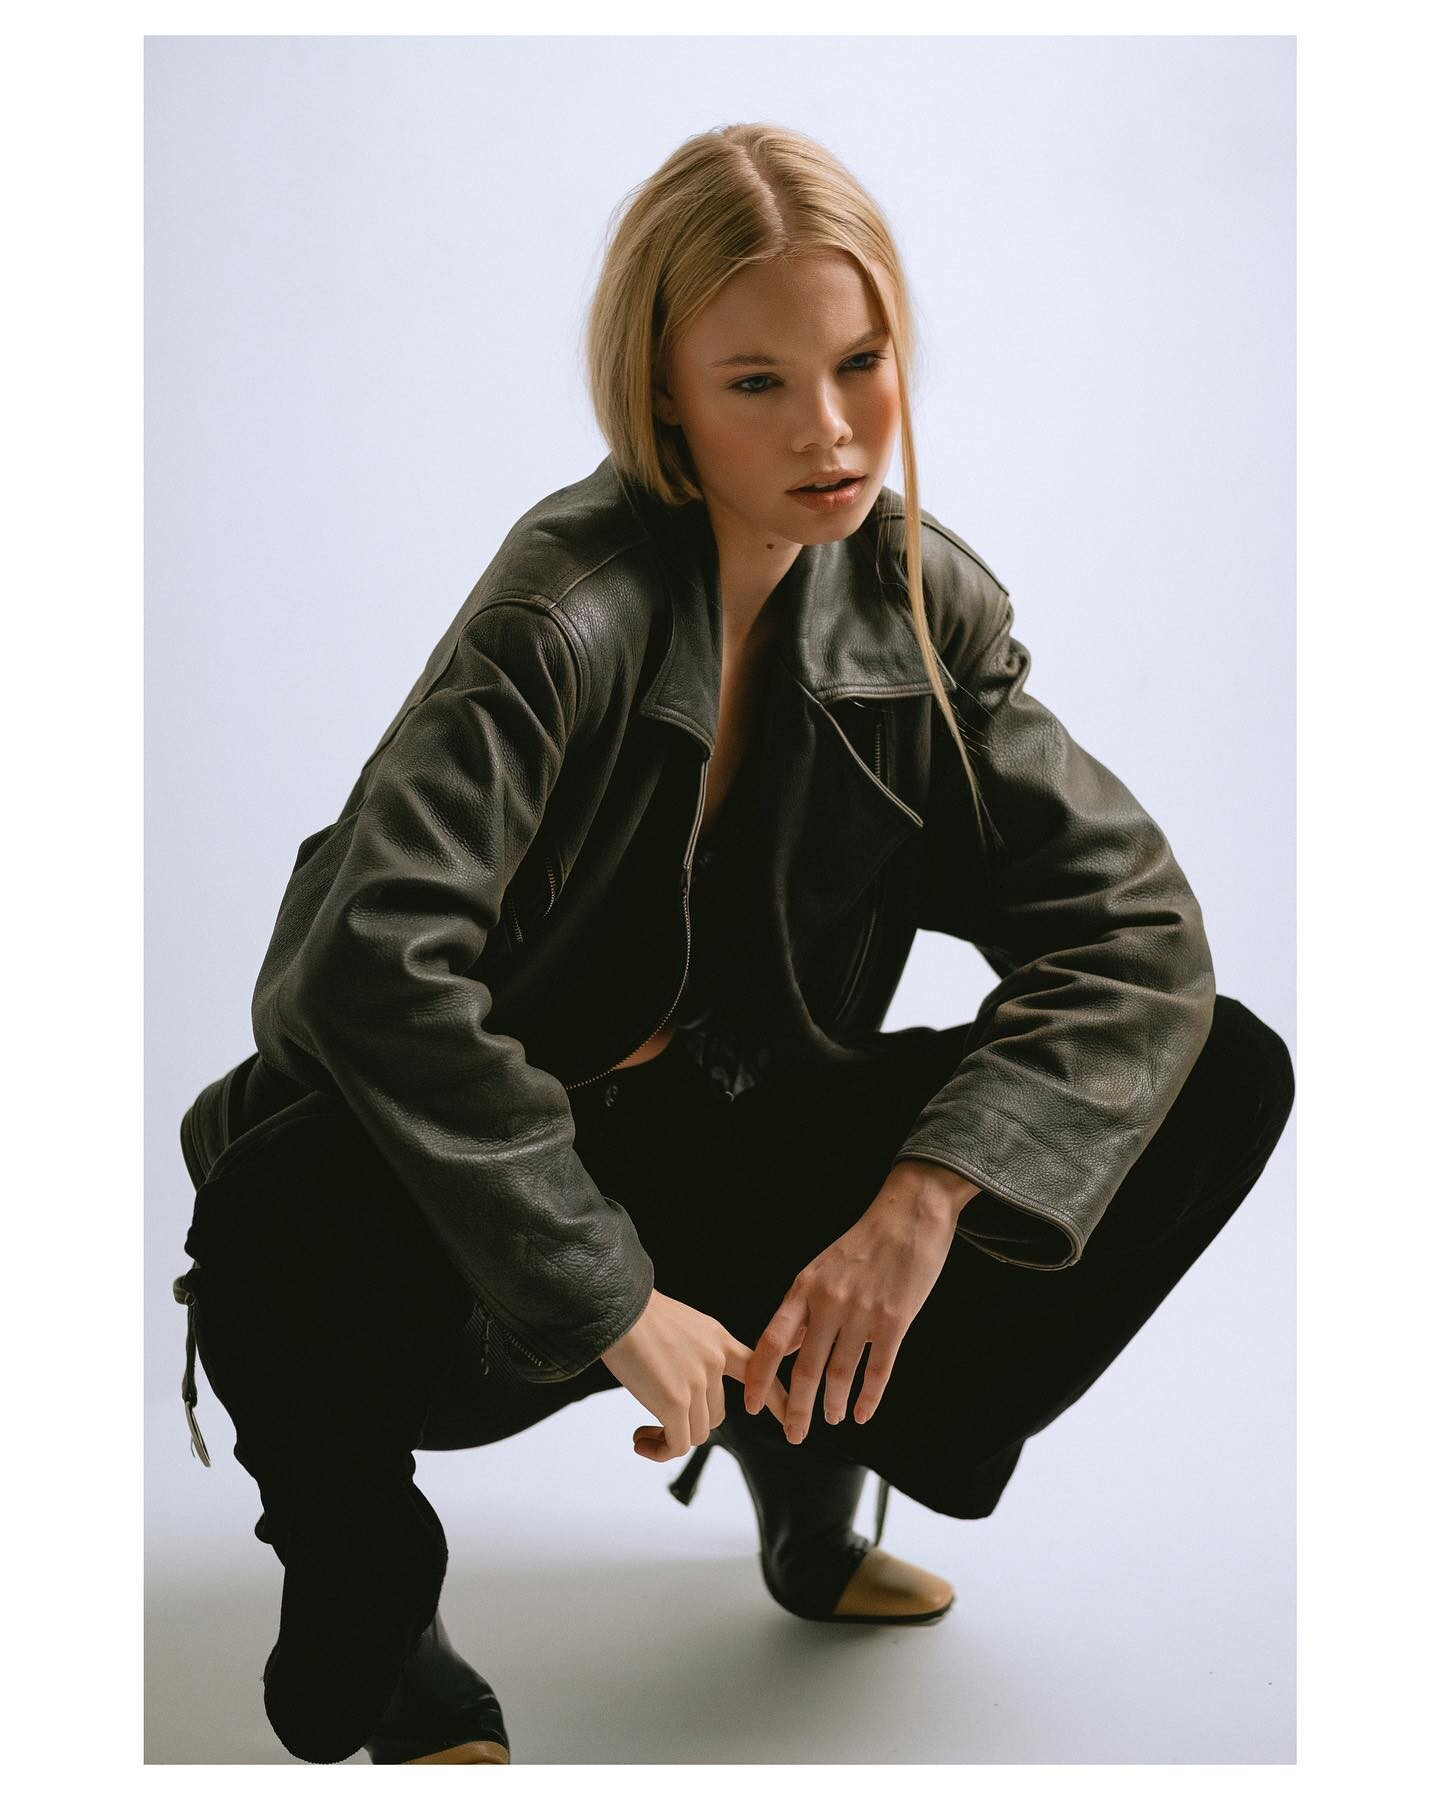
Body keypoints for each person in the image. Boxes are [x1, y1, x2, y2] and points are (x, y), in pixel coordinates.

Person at [173, 121, 1295, 1765]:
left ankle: (814, 1429)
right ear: (665, 396)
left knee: (1220, 1067)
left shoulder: (920, 608)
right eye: (758, 382)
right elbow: (365, 969)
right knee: (274, 1208)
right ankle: (378, 1611)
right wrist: (609, 1293)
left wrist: (919, 1207)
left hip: (735, 1138)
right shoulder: (563, 613)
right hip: (484, 1196)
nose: (830, 430)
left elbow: (1134, 935)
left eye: (860, 362)